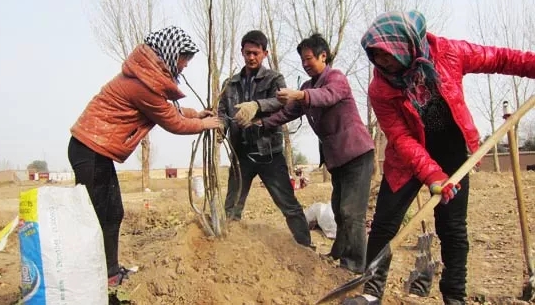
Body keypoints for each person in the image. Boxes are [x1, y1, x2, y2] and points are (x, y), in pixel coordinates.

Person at [344, 10, 535, 305]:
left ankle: (454, 296)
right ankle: (371, 291)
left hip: (452, 153)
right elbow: (401, 137)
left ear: (407, 45)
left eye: (387, 55)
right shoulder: (380, 89)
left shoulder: (449, 53)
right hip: (407, 160)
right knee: (384, 224)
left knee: (453, 228)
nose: (382, 63)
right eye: (376, 56)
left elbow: (499, 58)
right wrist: (431, 175)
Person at [68, 26, 221, 287]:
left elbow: (170, 110)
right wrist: (205, 124)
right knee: (104, 214)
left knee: (110, 213)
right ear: (170, 54)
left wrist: (198, 114)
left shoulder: (146, 80)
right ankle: (104, 275)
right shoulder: (143, 86)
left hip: (92, 149)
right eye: (184, 59)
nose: (184, 66)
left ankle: (107, 271)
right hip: (90, 149)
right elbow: (173, 122)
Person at [255, 34, 375, 274]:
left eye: (309, 58)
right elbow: (288, 113)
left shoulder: (336, 78)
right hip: (338, 159)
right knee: (339, 208)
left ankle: (355, 267)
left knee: (352, 212)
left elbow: (326, 96)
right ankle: (340, 253)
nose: (305, 64)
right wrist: (262, 123)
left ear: (323, 56)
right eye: (302, 60)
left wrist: (299, 96)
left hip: (357, 154)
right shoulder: (307, 87)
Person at [217, 30, 312, 247]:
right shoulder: (229, 83)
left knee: (288, 204)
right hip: (240, 154)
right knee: (232, 207)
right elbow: (222, 110)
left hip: (269, 153)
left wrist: (257, 106)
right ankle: (227, 250)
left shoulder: (274, 79)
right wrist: (220, 127)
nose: (251, 57)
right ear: (241, 52)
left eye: (256, 53)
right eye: (247, 53)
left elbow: (283, 102)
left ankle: (306, 248)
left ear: (265, 53)